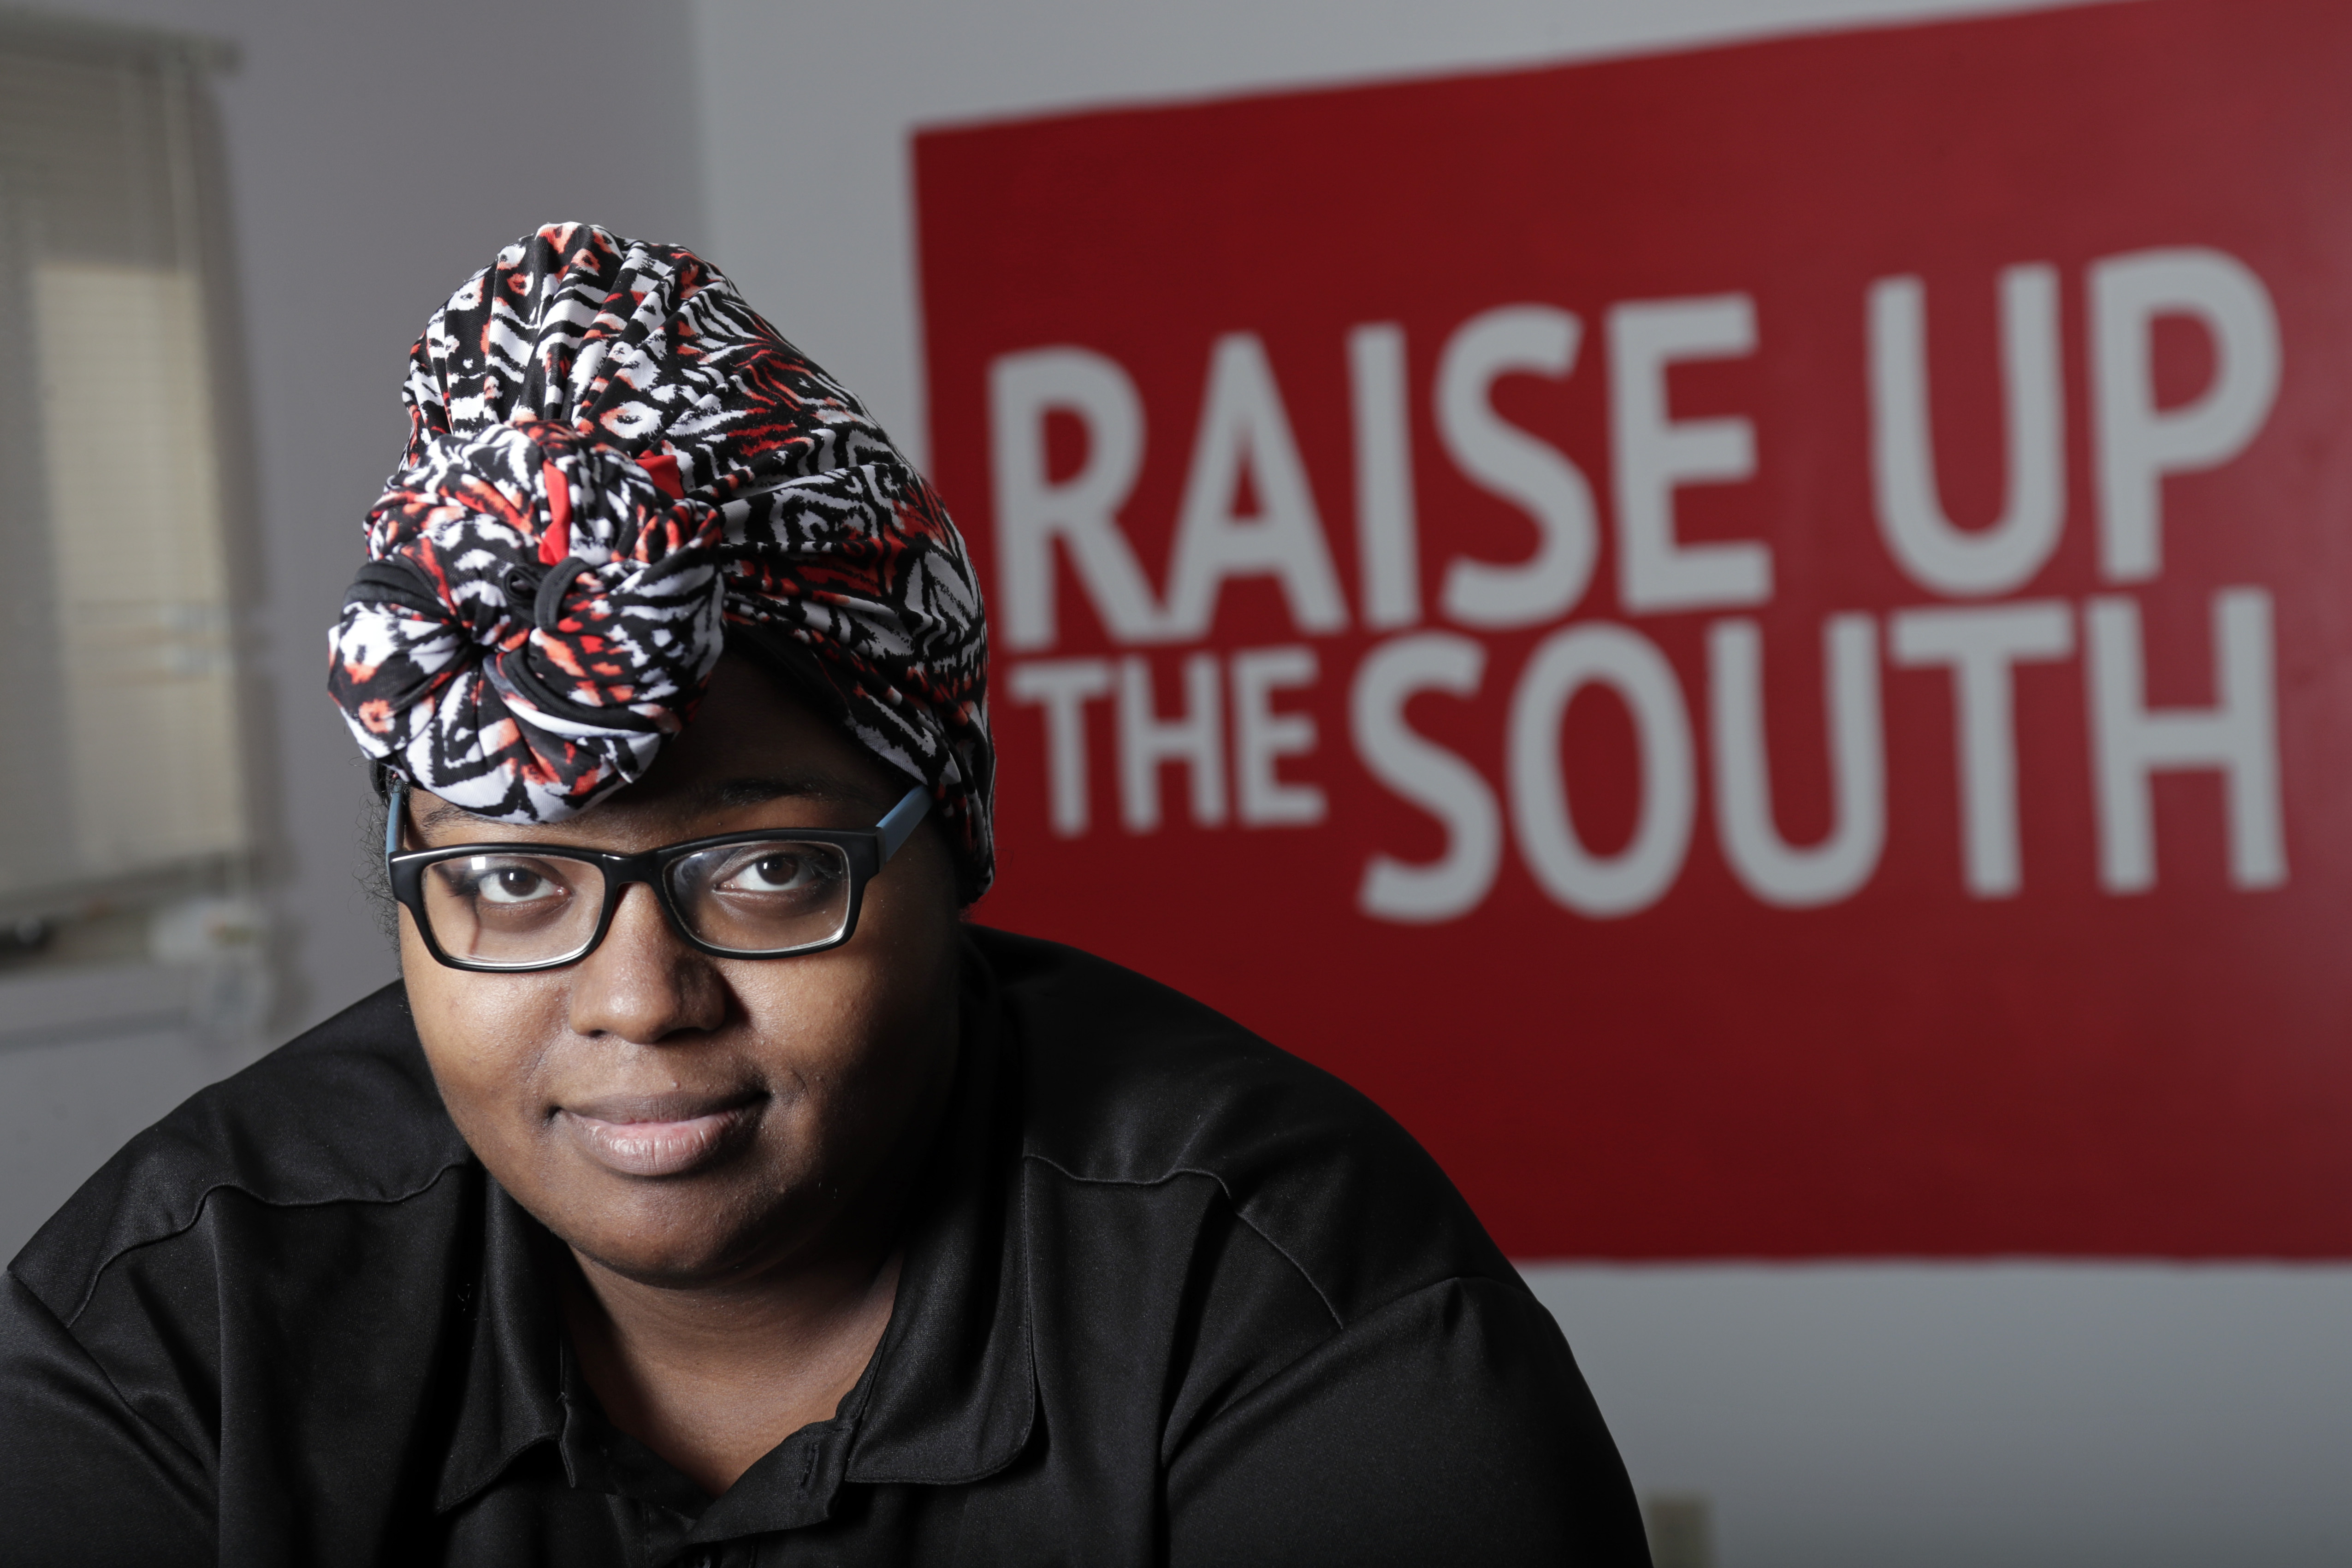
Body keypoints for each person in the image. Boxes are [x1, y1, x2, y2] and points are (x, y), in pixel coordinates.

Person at [0, 224, 1650, 1565]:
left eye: (768, 865)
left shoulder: (1295, 1307)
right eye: (508, 874)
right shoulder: (182, 1315)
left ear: (950, 855)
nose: (639, 995)